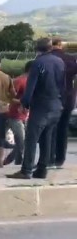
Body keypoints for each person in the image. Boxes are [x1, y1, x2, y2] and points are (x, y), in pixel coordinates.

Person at [8, 38, 66, 180]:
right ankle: (42, 170)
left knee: (31, 139)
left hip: (41, 106)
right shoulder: (60, 62)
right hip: (56, 105)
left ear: (37, 49)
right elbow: (63, 85)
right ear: (50, 48)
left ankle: (26, 170)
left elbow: (30, 87)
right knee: (47, 138)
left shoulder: (38, 63)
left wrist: (24, 104)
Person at [49, 38, 77, 169]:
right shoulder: (71, 59)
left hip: (51, 99)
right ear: (61, 45)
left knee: (49, 129)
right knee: (63, 129)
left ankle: (48, 157)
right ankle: (59, 159)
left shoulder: (46, 58)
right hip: (68, 99)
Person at [5, 61, 32, 166]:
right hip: (15, 115)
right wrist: (22, 102)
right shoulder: (19, 81)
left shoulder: (30, 81)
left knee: (23, 141)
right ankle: (13, 161)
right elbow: (9, 97)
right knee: (21, 141)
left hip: (24, 115)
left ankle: (15, 160)